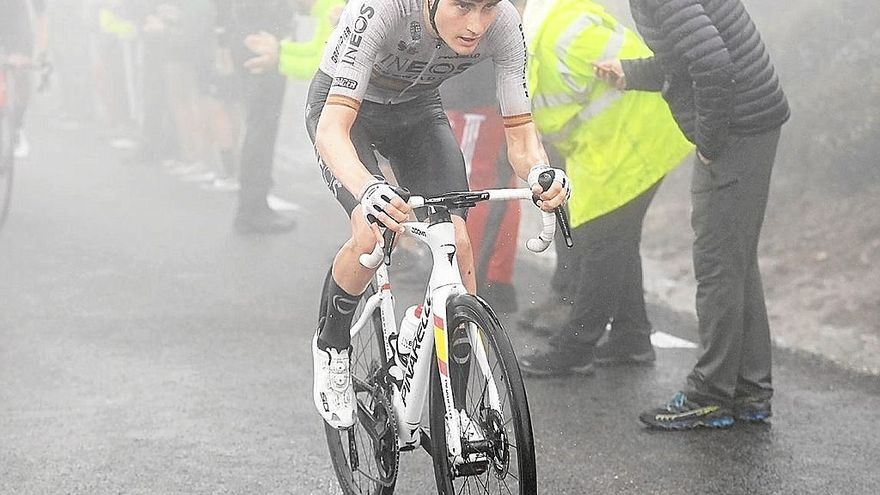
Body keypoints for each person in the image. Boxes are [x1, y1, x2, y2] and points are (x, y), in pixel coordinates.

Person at [306, 0, 571, 428]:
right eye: (462, 6)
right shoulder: (382, 10)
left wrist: (540, 173)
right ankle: (332, 344)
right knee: (373, 232)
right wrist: (369, 189)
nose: (475, 25)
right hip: (345, 113)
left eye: (487, 8)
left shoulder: (504, 26)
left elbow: (521, 135)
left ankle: (460, 408)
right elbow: (331, 131)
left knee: (456, 239)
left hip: (417, 113)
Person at [595, 0, 790, 429]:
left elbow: (713, 61)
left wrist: (710, 140)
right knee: (736, 263)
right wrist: (632, 73)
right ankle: (750, 390)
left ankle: (711, 394)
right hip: (753, 120)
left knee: (719, 264)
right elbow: (686, 56)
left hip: (738, 128)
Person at [510, 0, 691, 376]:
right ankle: (631, 338)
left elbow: (649, 72)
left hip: (633, 137)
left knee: (600, 240)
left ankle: (576, 346)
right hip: (608, 143)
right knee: (614, 238)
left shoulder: (557, 35)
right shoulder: (542, 34)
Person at [227, 0, 297, 235]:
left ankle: (254, 205)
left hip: (256, 32)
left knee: (261, 126)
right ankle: (252, 209)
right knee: (261, 127)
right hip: (261, 35)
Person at [0, 0, 48, 158]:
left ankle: (17, 125)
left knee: (21, 69)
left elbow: (41, 13)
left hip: (15, 19)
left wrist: (42, 52)